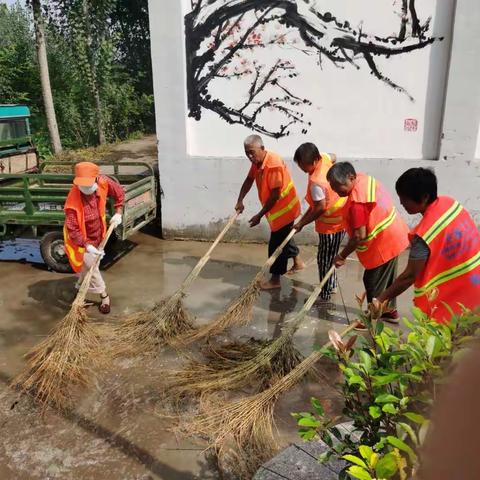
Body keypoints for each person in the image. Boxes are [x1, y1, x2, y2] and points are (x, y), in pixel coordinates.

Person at [374, 168, 480, 323]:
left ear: (424, 197)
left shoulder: (424, 235)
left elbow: (409, 276)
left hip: (456, 295)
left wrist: (381, 299)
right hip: (474, 280)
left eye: (405, 198)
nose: (402, 202)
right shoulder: (450, 204)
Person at [327, 162, 409, 327]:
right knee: (387, 279)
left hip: (383, 243)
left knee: (373, 282)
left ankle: (371, 321)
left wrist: (342, 256)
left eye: (338, 186)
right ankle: (390, 312)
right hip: (394, 234)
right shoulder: (364, 179)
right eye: (333, 187)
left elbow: (359, 235)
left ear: (351, 178)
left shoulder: (357, 203)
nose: (336, 191)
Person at [235, 134, 304, 290]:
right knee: (285, 237)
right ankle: (298, 262)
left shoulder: (273, 165)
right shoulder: (258, 161)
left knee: (276, 245)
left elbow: (275, 195)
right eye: (247, 153)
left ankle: (275, 280)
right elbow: (249, 180)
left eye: (252, 152)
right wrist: (240, 200)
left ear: (262, 148)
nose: (249, 156)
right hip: (276, 210)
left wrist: (259, 215)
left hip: (284, 209)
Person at [64, 161, 125, 314]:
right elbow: (73, 229)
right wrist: (87, 245)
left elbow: (119, 193)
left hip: (99, 234)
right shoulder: (72, 201)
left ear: (96, 178)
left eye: (88, 184)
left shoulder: (103, 182)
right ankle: (104, 296)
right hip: (80, 239)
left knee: (88, 266)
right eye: (81, 185)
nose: (84, 188)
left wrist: (118, 213)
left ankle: (79, 291)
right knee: (92, 266)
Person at [292, 143, 346, 303]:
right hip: (343, 218)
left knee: (324, 259)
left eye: (304, 166)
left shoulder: (317, 182)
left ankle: (325, 293)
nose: (303, 169)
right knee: (333, 255)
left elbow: (320, 208)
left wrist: (301, 223)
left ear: (315, 161)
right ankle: (332, 284)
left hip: (330, 226)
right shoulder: (324, 157)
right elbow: (334, 156)